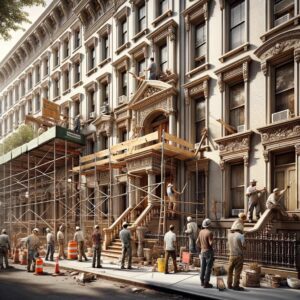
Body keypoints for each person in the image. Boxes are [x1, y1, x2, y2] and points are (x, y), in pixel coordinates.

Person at [227, 222, 245, 291]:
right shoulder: (241, 236)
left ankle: (229, 284)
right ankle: (236, 286)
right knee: (237, 271)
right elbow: (244, 246)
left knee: (230, 271)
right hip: (239, 256)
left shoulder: (229, 235)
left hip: (231, 255)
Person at [196, 218, 214, 288]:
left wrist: (201, 247)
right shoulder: (209, 232)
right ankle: (206, 283)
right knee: (208, 268)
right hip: (208, 251)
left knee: (203, 267)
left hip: (202, 251)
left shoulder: (201, 232)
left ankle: (202, 281)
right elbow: (210, 243)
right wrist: (213, 241)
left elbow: (197, 242)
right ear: (209, 225)